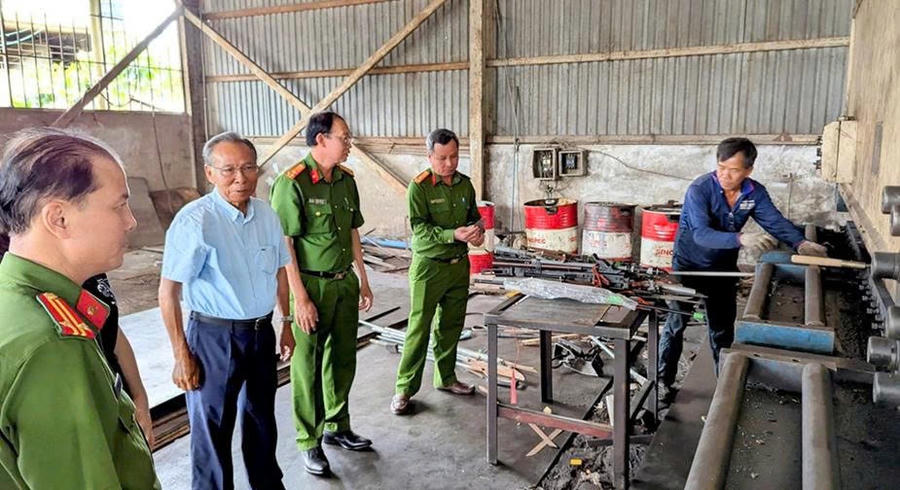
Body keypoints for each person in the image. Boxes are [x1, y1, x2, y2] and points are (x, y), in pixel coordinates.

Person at [0, 127, 159, 488]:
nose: (131, 221)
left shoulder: (18, 299)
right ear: (59, 219)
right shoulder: (52, 345)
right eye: (119, 206)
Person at [159, 132, 293, 490]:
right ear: (209, 173)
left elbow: (280, 271)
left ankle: (267, 484)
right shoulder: (195, 221)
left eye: (248, 168)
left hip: (260, 333)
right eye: (228, 170)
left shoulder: (266, 215)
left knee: (262, 418)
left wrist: (286, 322)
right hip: (214, 338)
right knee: (213, 427)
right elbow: (168, 292)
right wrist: (181, 355)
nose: (240, 178)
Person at [657, 137, 828, 397]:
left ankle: (723, 388)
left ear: (748, 170)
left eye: (734, 170)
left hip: (723, 268)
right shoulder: (699, 190)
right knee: (676, 323)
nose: (725, 175)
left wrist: (801, 243)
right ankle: (663, 381)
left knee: (722, 328)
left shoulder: (753, 193)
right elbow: (701, 234)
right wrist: (741, 238)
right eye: (721, 167)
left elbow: (774, 221)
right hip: (690, 267)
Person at [269, 111, 374, 476]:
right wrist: (299, 299)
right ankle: (308, 440)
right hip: (311, 285)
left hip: (344, 282)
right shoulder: (293, 183)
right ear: (320, 140)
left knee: (343, 359)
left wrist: (363, 278)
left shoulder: (345, 180)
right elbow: (285, 245)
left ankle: (337, 426)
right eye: (344, 137)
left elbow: (353, 231)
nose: (349, 144)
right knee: (307, 367)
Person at [0, 235, 154, 448]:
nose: (130, 223)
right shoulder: (18, 283)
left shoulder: (87, 266)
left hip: (116, 398)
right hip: (76, 418)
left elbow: (112, 331)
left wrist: (140, 398)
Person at [390, 128, 484, 415]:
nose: (449, 163)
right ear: (429, 156)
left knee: (451, 326)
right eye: (442, 158)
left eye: (454, 156)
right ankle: (404, 388)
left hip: (458, 266)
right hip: (429, 268)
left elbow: (476, 219)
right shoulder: (419, 187)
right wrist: (452, 234)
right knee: (419, 328)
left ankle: (446, 377)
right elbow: (420, 230)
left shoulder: (465, 185)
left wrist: (477, 233)